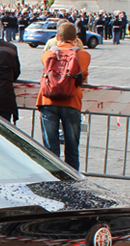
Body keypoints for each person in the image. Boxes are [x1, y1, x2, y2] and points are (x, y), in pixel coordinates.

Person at [37, 21, 90, 170]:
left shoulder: (48, 54)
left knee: (50, 148)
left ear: (57, 36)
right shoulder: (83, 55)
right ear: (76, 38)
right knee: (72, 148)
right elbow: (83, 75)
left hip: (48, 100)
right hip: (71, 101)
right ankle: (71, 182)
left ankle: (53, 180)